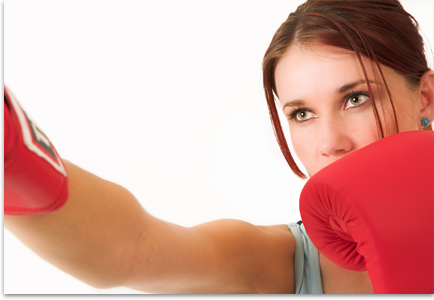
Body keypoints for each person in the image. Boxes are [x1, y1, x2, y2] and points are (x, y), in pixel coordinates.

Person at [4, 0, 434, 294]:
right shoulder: (286, 260)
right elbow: (135, 249)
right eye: (302, 113)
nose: (329, 143)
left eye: (355, 98)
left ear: (426, 97)